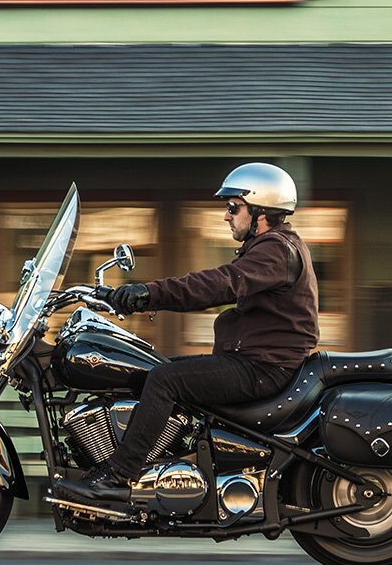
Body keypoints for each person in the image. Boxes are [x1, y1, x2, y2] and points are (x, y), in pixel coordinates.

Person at [55, 162, 319, 502]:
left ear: (261, 211)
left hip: (264, 368)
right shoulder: (272, 248)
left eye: (233, 207)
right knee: (148, 369)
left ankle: (119, 476)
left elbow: (216, 284)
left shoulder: (276, 250)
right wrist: (111, 296)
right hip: (252, 360)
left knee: (165, 379)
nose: (226, 216)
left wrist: (148, 293)